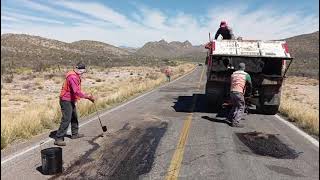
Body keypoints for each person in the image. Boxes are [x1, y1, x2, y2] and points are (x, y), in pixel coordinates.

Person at [54, 63, 95, 146]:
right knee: (66, 119)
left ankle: (75, 134)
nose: (83, 73)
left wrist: (76, 99)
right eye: (83, 72)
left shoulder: (75, 75)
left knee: (74, 117)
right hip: (66, 100)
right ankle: (58, 138)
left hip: (71, 99)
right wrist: (88, 97)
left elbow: (75, 91)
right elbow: (76, 91)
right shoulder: (72, 77)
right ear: (80, 70)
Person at [228, 63, 252, 127]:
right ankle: (236, 122)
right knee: (241, 107)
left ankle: (230, 118)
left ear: (238, 67)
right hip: (239, 92)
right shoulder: (246, 75)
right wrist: (249, 93)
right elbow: (250, 84)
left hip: (232, 92)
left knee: (235, 105)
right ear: (244, 68)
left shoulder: (233, 74)